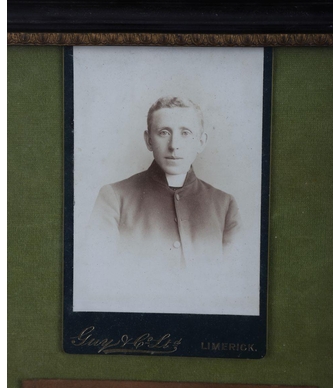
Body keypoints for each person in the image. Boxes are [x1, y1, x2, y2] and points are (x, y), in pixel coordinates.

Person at [88, 96, 241, 268]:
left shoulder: (224, 205)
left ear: (201, 142)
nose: (174, 145)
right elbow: (98, 275)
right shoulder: (115, 198)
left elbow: (233, 280)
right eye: (164, 133)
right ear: (149, 140)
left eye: (185, 133)